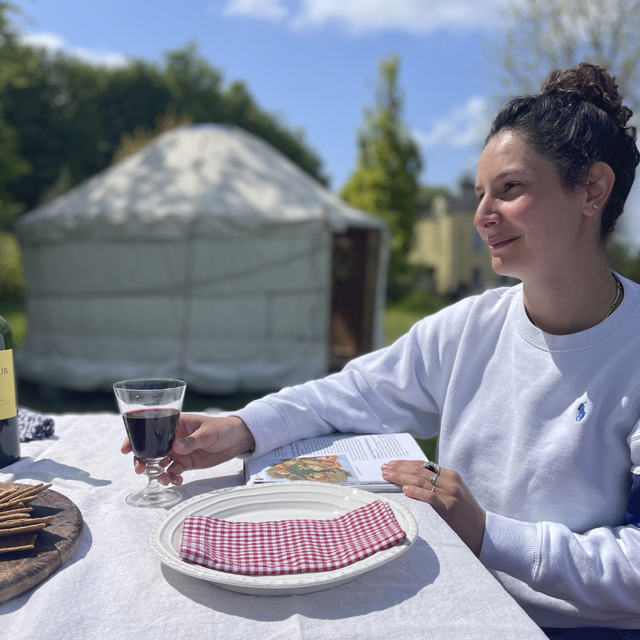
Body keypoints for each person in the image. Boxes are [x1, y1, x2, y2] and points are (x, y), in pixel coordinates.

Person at [123, 63, 640, 637]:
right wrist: (240, 429)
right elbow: (349, 395)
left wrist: (491, 534)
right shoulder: (470, 327)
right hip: (465, 601)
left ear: (592, 188)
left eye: (510, 189)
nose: (482, 215)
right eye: (479, 194)